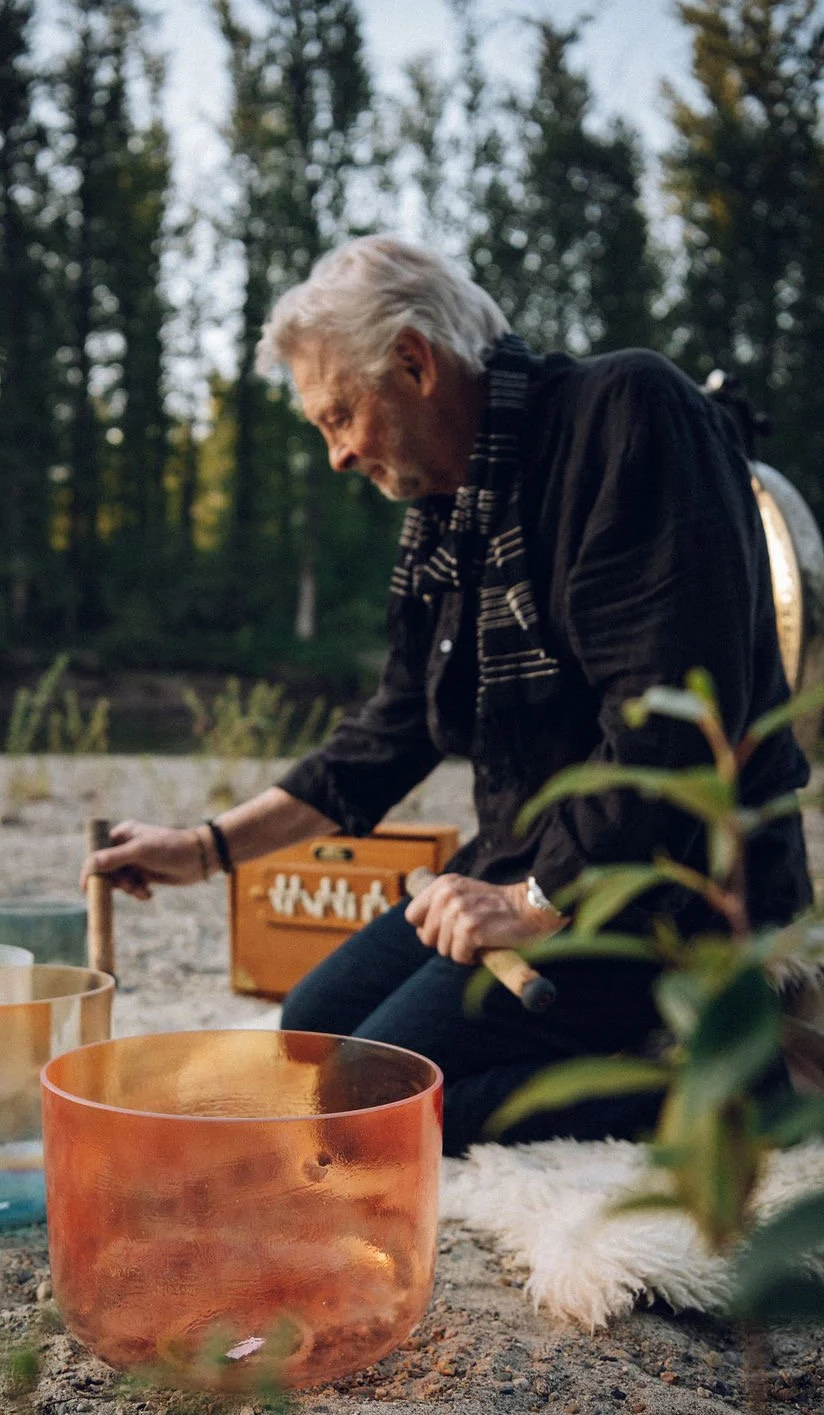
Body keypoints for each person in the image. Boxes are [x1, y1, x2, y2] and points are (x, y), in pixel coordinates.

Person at [82, 236, 812, 1155]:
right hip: (526, 861)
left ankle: (728, 1095)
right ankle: (621, 1045)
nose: (338, 455)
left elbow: (667, 722)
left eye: (339, 416)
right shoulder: (448, 515)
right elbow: (392, 729)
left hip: (664, 879)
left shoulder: (629, 411)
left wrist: (537, 902)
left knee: (369, 1104)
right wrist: (203, 848)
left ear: (416, 363)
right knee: (312, 1027)